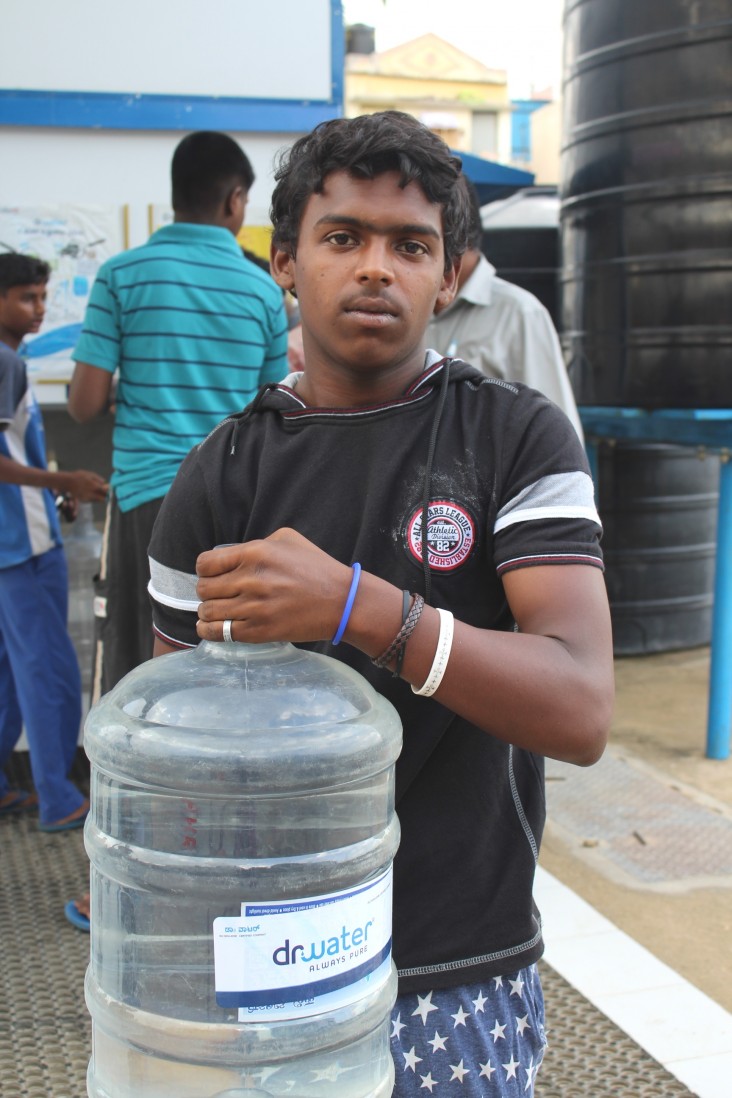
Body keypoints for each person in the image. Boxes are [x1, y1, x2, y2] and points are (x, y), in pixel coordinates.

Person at [146, 112, 614, 1095]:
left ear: (449, 277)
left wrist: (360, 608)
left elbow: (578, 707)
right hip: (269, 961)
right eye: (342, 236)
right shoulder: (216, 478)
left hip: (454, 969)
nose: (375, 268)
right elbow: (167, 765)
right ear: (284, 261)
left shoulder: (514, 441)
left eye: (410, 245)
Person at [68, 130, 289, 695]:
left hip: (145, 494)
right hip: (235, 505)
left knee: (133, 654)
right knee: (229, 660)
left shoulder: (121, 275)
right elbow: (272, 409)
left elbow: (84, 403)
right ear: (234, 200)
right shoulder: (263, 292)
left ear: (176, 194)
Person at [0, 253, 108, 832]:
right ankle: (59, 798)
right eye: (26, 297)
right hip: (23, 550)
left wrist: (51, 493)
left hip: (17, 538)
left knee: (9, 675)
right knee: (49, 673)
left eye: (42, 296)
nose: (39, 309)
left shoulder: (10, 360)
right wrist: (64, 482)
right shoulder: (5, 363)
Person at [427, 176, 584, 441]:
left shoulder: (519, 314)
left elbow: (558, 435)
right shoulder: (405, 310)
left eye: (414, 246)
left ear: (457, 245)